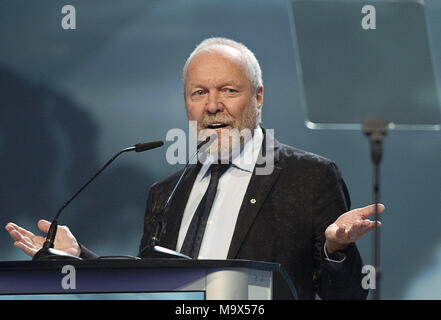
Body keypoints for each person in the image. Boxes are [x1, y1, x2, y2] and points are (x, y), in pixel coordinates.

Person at [5, 37, 384, 300]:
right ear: (187, 103)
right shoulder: (165, 192)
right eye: (199, 93)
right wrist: (80, 260)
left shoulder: (309, 177)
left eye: (228, 91)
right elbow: (152, 285)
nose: (212, 105)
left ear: (258, 97)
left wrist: (335, 251)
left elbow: (348, 295)